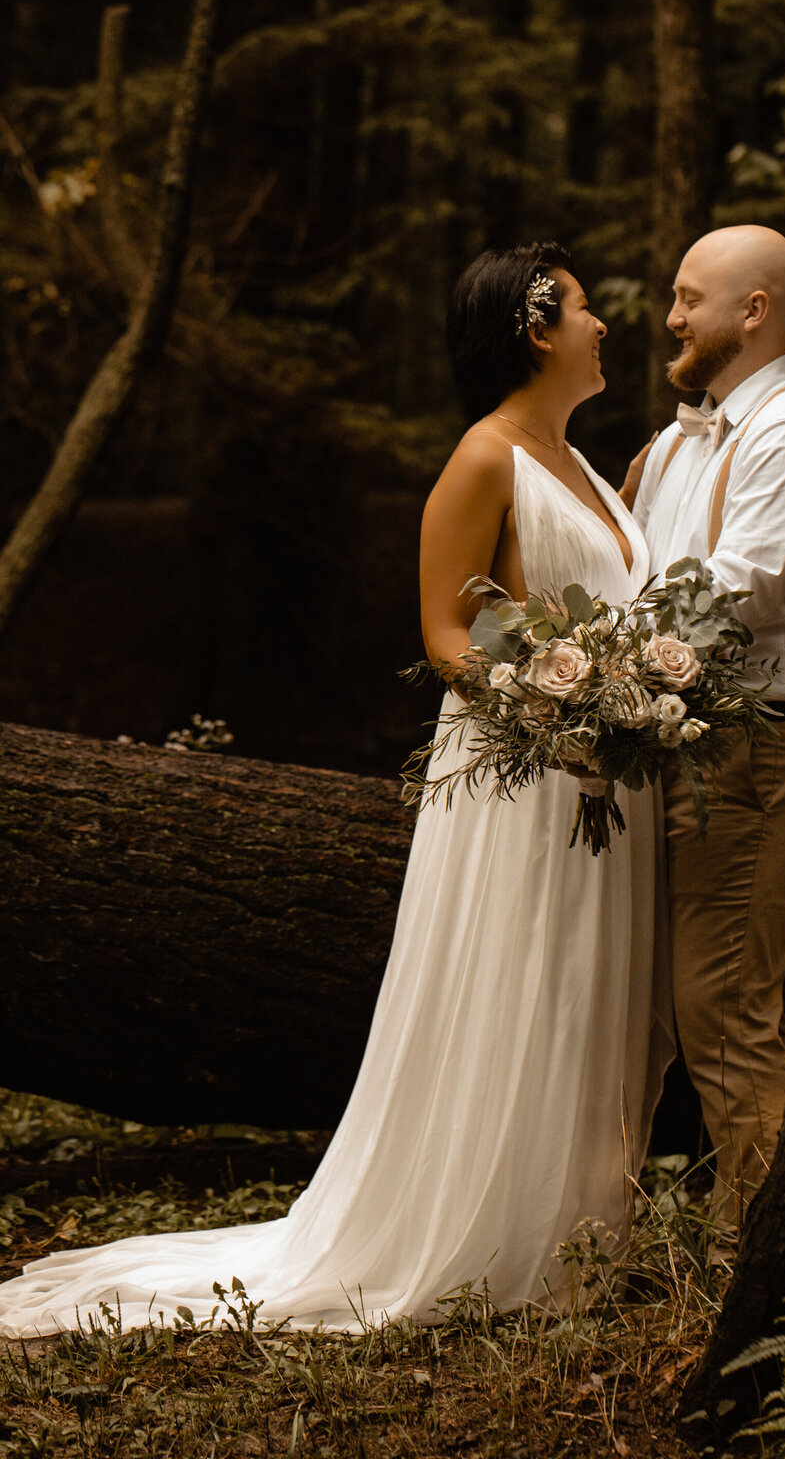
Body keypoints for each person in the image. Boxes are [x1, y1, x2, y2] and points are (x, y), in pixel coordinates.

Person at [0, 242, 672, 1338]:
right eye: (590, 312)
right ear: (537, 328)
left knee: (589, 986)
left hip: (604, 784)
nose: (608, 329)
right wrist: (554, 716)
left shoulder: (587, 467)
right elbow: (447, 635)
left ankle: (580, 1233)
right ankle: (482, 1232)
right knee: (523, 982)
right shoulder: (484, 460)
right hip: (524, 778)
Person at [626, 223, 785, 1228]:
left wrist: (598, 663)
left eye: (689, 297)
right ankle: (748, 1230)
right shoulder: (688, 440)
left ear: (752, 311)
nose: (671, 317)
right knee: (698, 998)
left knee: (725, 1001)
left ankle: (767, 1251)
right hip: (699, 746)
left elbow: (736, 598)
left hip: (768, 752)